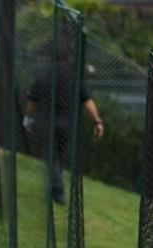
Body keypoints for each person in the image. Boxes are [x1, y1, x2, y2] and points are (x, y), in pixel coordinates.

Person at [23, 44, 104, 205]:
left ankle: (57, 190)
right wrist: (97, 121)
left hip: (48, 122)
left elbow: (32, 102)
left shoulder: (44, 76)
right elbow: (87, 100)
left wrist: (28, 119)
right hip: (68, 124)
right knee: (58, 157)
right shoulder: (74, 76)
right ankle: (55, 189)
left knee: (51, 157)